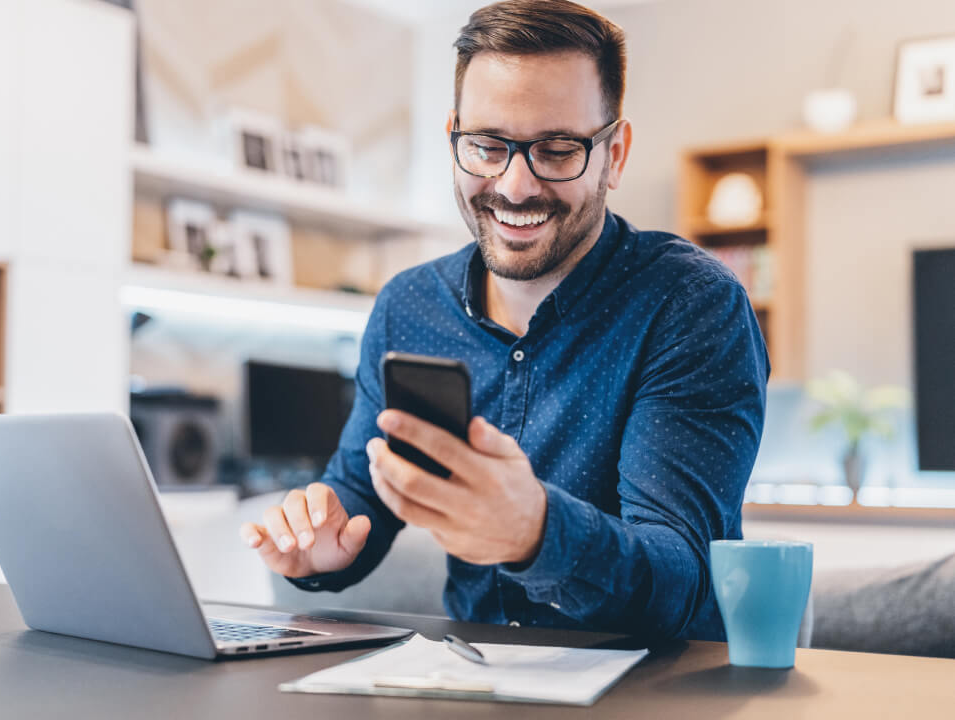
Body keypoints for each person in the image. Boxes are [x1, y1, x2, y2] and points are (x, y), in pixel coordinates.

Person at [239, 0, 769, 641]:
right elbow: (360, 493)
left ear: (615, 155)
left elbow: (683, 579)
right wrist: (319, 545)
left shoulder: (689, 304)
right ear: (455, 139)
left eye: (556, 149)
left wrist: (537, 533)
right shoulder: (409, 307)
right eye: (488, 146)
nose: (515, 186)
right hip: (471, 683)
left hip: (652, 695)